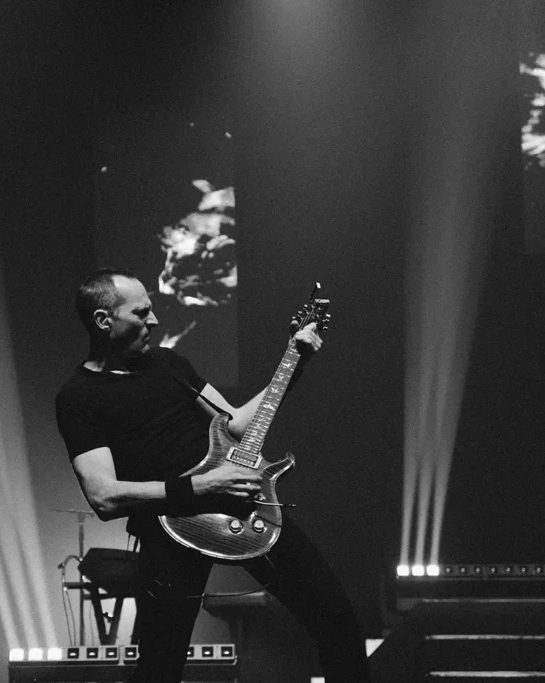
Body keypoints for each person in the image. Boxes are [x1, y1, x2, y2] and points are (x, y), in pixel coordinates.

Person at [55, 268, 370, 683]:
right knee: (158, 669)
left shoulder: (168, 363)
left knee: (337, 621)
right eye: (141, 313)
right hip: (170, 530)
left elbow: (236, 424)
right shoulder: (79, 397)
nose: (153, 322)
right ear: (103, 321)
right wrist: (198, 487)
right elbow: (103, 496)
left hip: (243, 508)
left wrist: (295, 361)